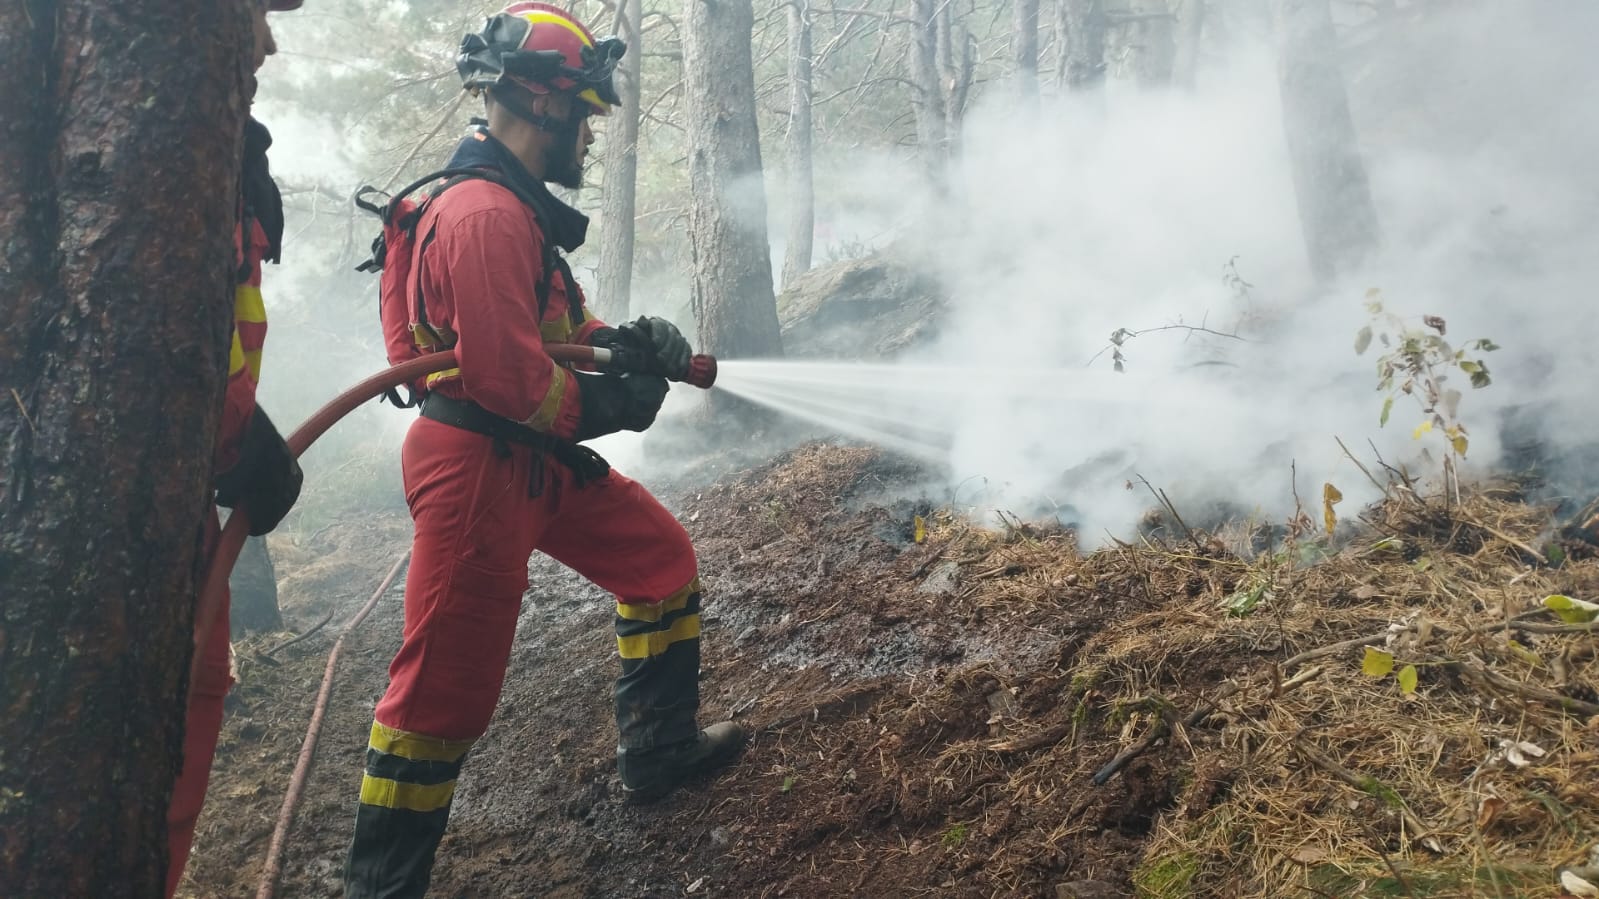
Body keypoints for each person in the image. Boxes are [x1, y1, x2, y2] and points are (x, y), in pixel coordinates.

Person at [342, 4, 744, 895]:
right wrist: (618, 402)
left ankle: (660, 752)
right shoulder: (484, 215)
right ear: (540, 102)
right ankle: (381, 885)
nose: (592, 133)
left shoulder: (511, 208)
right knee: (440, 696)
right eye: (585, 112)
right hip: (481, 470)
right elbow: (511, 382)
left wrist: (631, 345)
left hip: (530, 458)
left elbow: (553, 332)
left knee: (660, 562)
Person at [165, 0, 305, 894]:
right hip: (124, 539)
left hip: (177, 512)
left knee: (180, 741)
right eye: (254, 11)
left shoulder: (218, 156)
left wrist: (235, 440)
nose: (270, 38)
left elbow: (203, 337)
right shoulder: (166, 158)